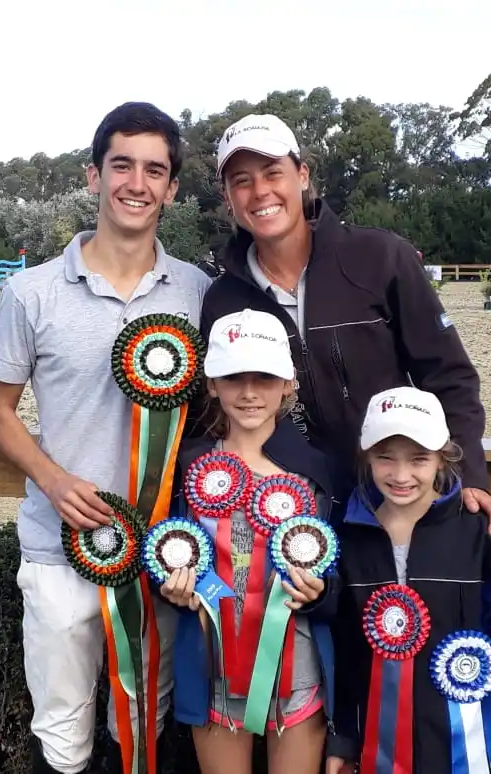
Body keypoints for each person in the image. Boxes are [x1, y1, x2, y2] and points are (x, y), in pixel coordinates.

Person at [0, 101, 212, 774]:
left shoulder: (198, 292)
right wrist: (54, 481)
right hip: (60, 548)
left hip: (164, 553)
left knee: (141, 728)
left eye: (154, 170)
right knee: (62, 736)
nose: (136, 183)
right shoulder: (31, 293)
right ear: (93, 176)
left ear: (171, 188)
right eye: (122, 165)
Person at [195, 113, 491, 550]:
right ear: (228, 198)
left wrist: (470, 476)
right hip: (288, 516)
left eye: (273, 173)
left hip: (390, 502)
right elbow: (211, 413)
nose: (260, 191)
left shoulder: (381, 259)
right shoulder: (222, 299)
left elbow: (448, 375)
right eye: (241, 181)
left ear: (302, 175)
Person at [324, 386, 491, 773]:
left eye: (418, 459)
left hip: (464, 739)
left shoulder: (476, 531)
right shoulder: (348, 537)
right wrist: (343, 739)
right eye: (385, 457)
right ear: (366, 456)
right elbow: (347, 649)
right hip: (379, 745)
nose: (401, 475)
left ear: (442, 457)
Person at [160, 308, 343, 774]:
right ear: (211, 384)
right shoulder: (187, 467)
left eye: (264, 377)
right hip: (211, 675)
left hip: (299, 676)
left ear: (288, 383)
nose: (248, 392)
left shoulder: (318, 472)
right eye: (233, 378)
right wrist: (173, 588)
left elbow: (344, 573)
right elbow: (166, 550)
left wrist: (323, 593)